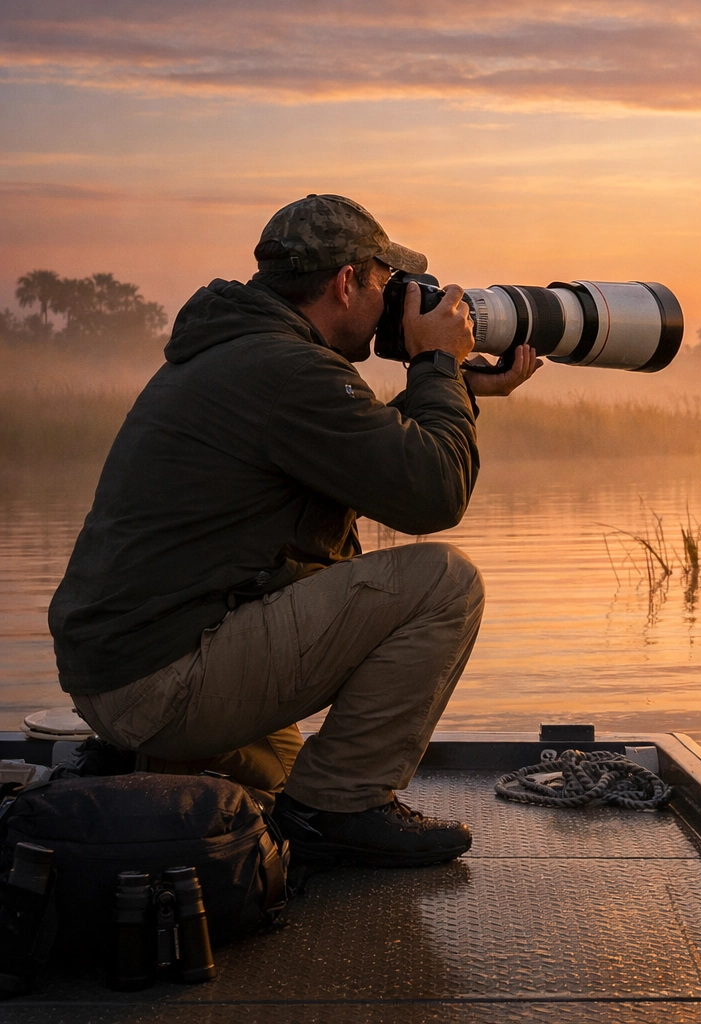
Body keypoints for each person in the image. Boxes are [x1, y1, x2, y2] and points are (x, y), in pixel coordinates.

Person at [48, 194, 540, 868]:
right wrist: (435, 368)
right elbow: (433, 493)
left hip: (124, 673)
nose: (397, 303)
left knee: (279, 780)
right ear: (346, 283)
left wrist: (455, 389)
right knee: (443, 582)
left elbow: (352, 455)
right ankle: (340, 812)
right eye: (385, 284)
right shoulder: (286, 369)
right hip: (164, 679)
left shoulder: (238, 351)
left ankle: (152, 763)